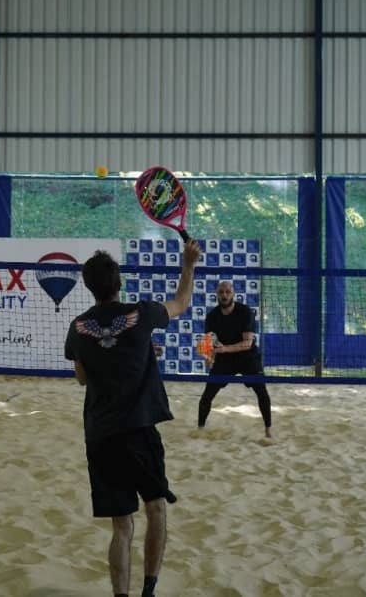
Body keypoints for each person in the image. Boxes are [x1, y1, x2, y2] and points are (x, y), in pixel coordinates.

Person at [65, 239, 201, 597]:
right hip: (138, 430)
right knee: (155, 509)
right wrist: (188, 264)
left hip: (100, 434)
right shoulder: (141, 314)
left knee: (121, 527)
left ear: (88, 286)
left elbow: (82, 378)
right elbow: (182, 302)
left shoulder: (78, 326)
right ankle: (149, 589)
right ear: (119, 282)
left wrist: (120, 354)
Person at [197, 280, 272, 438]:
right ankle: (200, 429)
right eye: (221, 292)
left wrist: (224, 349)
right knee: (207, 394)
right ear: (217, 295)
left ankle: (268, 430)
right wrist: (208, 357)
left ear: (233, 294)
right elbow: (209, 343)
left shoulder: (245, 312)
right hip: (225, 360)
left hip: (247, 357)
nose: (224, 295)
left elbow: (247, 344)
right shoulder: (212, 316)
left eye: (227, 292)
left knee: (262, 392)